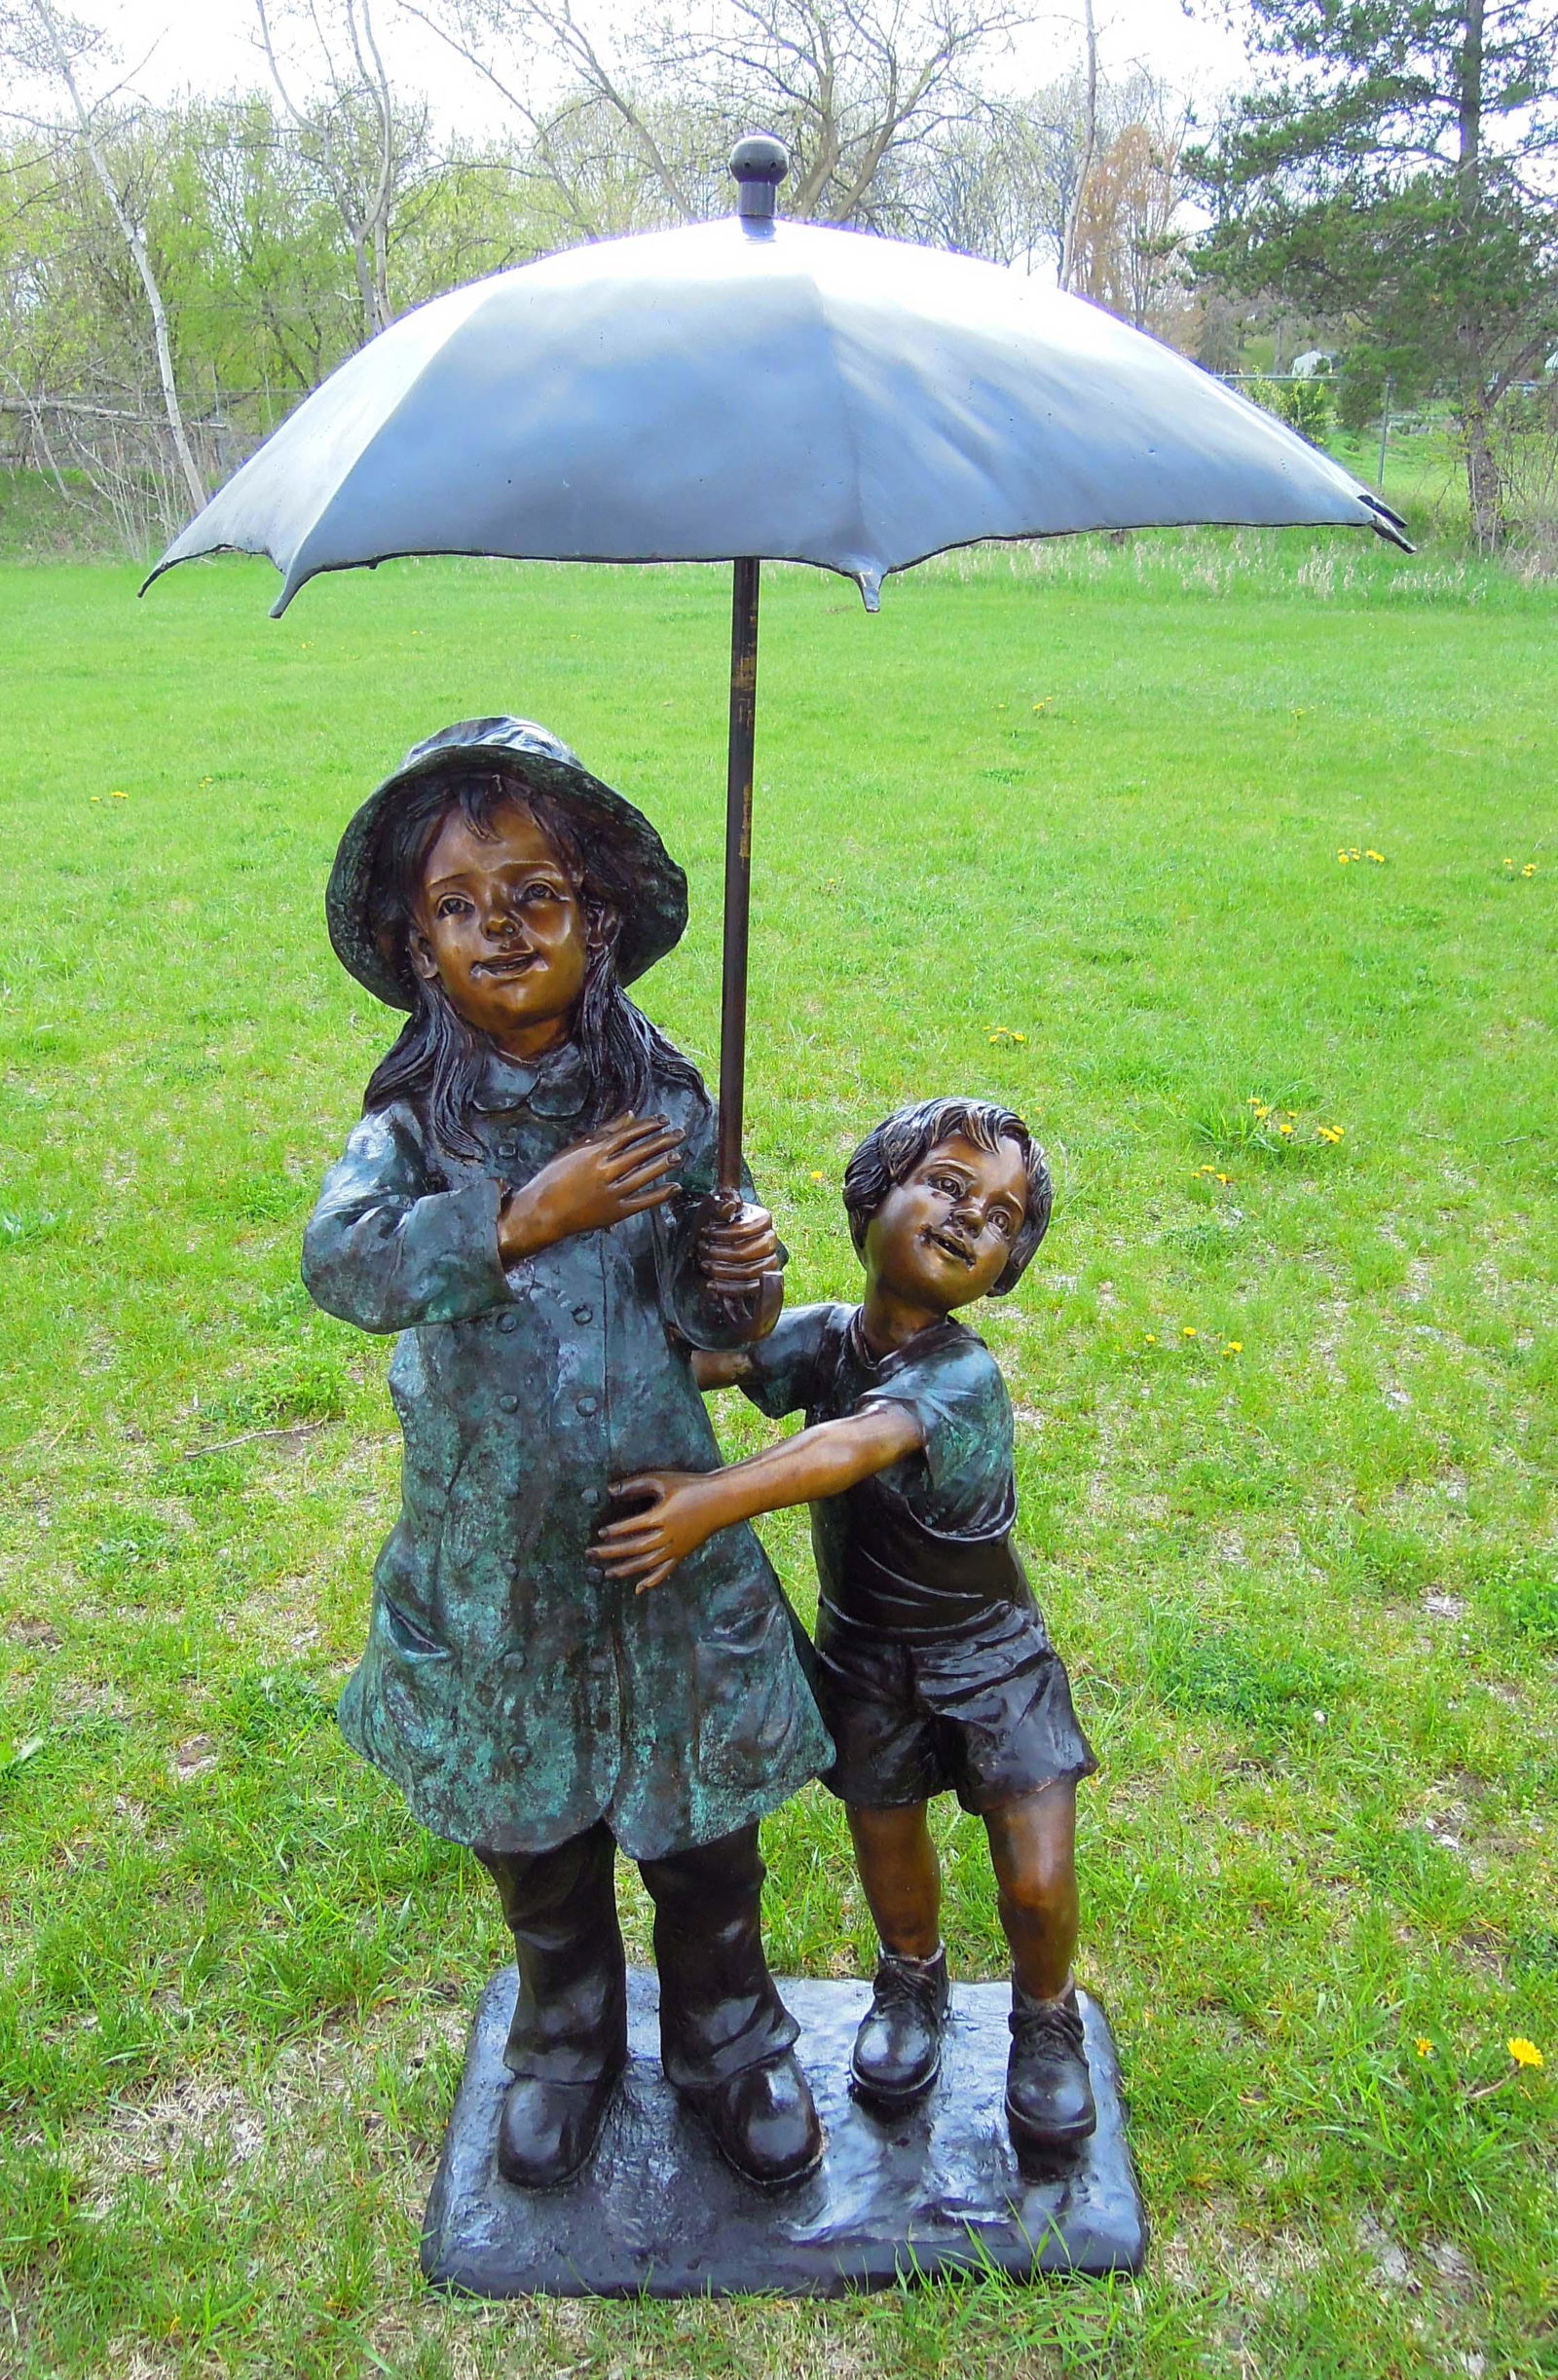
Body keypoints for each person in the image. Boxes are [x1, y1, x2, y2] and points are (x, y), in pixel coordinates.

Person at [303, 717, 833, 2194]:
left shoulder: (659, 1099)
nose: (500, 933)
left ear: (595, 920)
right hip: (499, 1546)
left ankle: (729, 2032)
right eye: (458, 909)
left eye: (534, 896)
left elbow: (699, 1313)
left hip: (657, 1524)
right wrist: (520, 1214)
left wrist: (740, 1271)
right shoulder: (413, 1126)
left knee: (702, 1822)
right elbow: (340, 1268)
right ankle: (567, 2032)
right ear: (418, 948)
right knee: (532, 1828)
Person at [593, 1097, 1098, 2160]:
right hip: (866, 1652)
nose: (969, 1218)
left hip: (989, 1658)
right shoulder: (829, 1334)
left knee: (1036, 1873)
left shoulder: (960, 1378)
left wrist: (701, 1500)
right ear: (872, 1200)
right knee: (887, 1838)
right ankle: (910, 1982)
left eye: (1000, 1217)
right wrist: (697, 1298)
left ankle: (1044, 2016)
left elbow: (842, 1450)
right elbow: (718, 1357)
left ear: (1006, 1267)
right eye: (948, 1185)